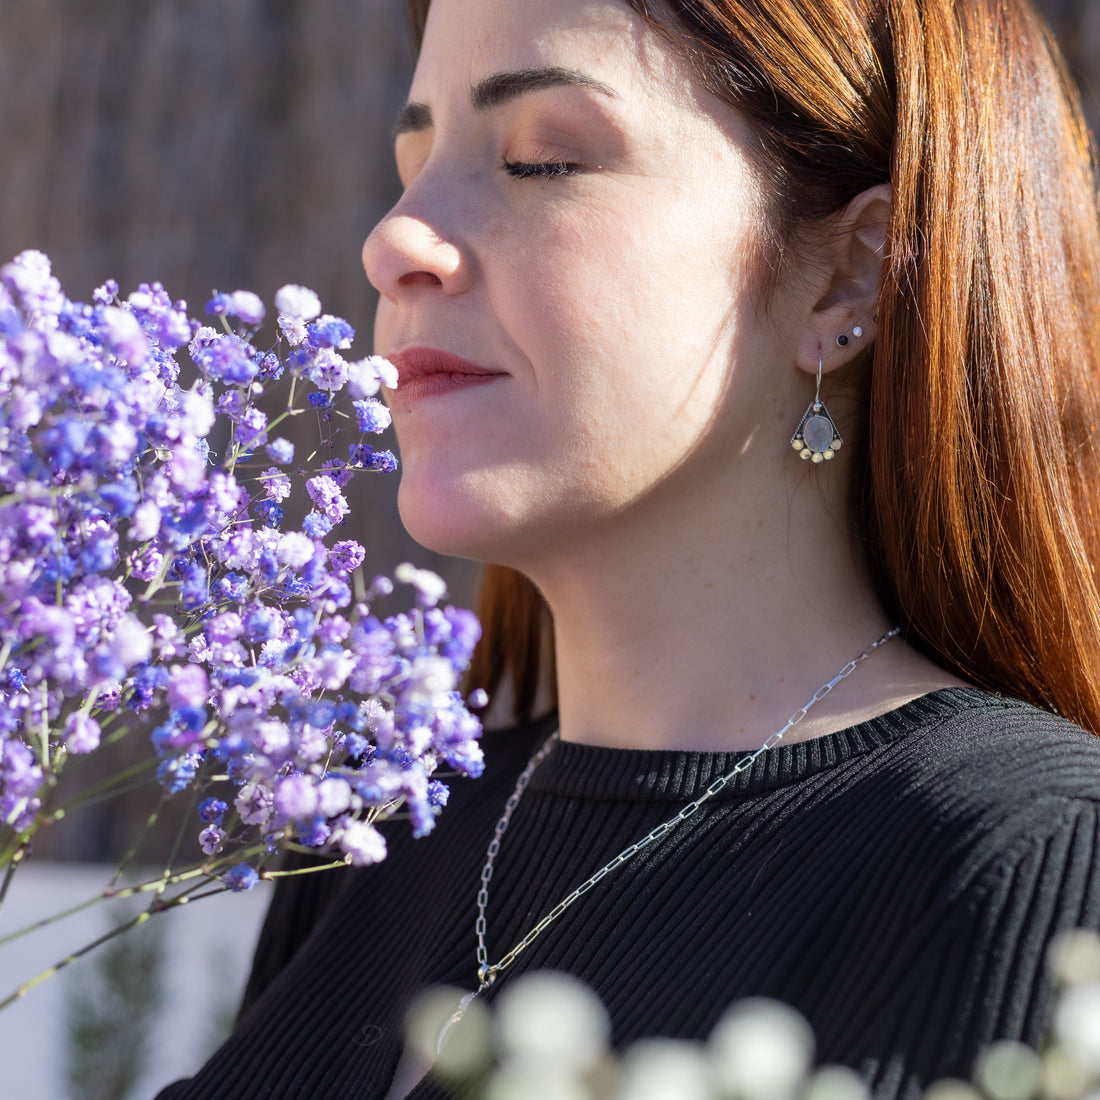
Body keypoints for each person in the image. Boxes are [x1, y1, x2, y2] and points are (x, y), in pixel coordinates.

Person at [157, 0, 1100, 1096]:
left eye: (541, 160)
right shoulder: (376, 837)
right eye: (411, 161)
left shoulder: (1025, 863)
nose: (392, 238)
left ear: (847, 276)